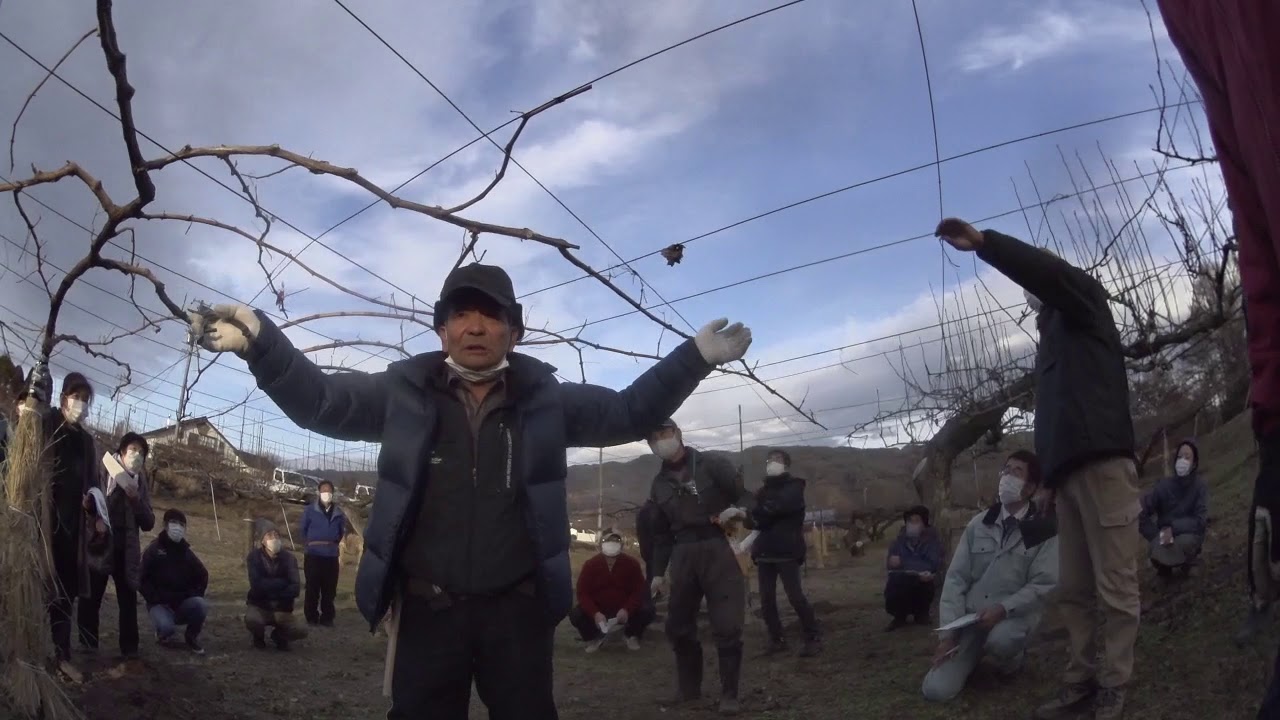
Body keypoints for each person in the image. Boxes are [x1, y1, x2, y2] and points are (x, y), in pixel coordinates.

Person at [187, 262, 752, 720]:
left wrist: (693, 358)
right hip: (429, 611)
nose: (475, 326)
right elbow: (322, 402)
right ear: (442, 330)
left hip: (519, 611)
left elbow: (631, 410)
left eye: (490, 314)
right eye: (461, 314)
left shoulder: (544, 400)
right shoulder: (404, 395)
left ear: (515, 330)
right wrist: (260, 345)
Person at [936, 219, 1140, 720]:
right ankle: (1081, 680)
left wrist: (987, 245)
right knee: (1072, 591)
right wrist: (1047, 479)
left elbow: (1049, 273)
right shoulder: (1052, 344)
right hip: (1066, 480)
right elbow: (1055, 417)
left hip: (1104, 467)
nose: (1032, 294)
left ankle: (1115, 685)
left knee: (1116, 587)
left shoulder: (1085, 301)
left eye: (1036, 287)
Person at [921, 451, 1060, 703]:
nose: (1006, 476)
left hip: (1013, 617)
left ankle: (1011, 660)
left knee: (1002, 642)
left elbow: (1043, 583)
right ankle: (969, 658)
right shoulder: (979, 524)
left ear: (1030, 488)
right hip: (972, 620)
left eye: (1016, 472)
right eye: (1005, 470)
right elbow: (956, 579)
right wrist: (948, 637)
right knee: (935, 691)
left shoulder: (1042, 529)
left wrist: (1004, 608)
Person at [647, 418, 755, 715]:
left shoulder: (712, 464)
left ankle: (729, 694)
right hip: (682, 553)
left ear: (678, 434)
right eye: (655, 437)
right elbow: (660, 535)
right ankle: (689, 690)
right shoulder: (658, 485)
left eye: (665, 433)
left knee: (726, 625)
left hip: (718, 546)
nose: (661, 440)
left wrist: (741, 510)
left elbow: (745, 494)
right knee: (678, 626)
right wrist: (657, 572)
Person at [42, 372, 103, 678]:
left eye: (84, 399)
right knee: (40, 585)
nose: (79, 404)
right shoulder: (49, 426)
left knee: (65, 592)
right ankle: (34, 647)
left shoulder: (86, 441)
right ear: (64, 397)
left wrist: (91, 503)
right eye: (75, 397)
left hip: (72, 529)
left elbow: (94, 485)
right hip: (43, 522)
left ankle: (61, 651)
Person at [78, 433, 155, 658]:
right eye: (132, 450)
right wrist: (92, 516)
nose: (136, 456)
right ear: (121, 452)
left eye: (141, 453)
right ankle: (87, 644)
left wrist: (135, 500)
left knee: (128, 601)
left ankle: (129, 650)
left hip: (127, 551)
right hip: (101, 545)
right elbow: (89, 502)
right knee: (91, 598)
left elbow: (149, 522)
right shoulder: (103, 470)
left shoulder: (140, 481)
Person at [749, 449, 820, 657]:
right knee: (766, 599)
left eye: (777, 459)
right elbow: (757, 519)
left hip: (787, 550)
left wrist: (758, 510)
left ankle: (813, 637)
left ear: (786, 465)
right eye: (769, 459)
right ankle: (777, 638)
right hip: (765, 551)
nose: (772, 462)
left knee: (795, 597)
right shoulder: (762, 491)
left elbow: (775, 508)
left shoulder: (795, 487)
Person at [568, 528, 652, 653]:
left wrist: (627, 610)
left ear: (621, 544)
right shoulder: (591, 564)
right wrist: (595, 613)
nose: (612, 543)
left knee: (648, 609)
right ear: (601, 543)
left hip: (624, 609)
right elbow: (582, 593)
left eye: (616, 540)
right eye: (608, 540)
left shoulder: (632, 564)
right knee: (576, 614)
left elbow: (639, 591)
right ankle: (593, 638)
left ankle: (631, 635)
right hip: (599, 609)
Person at [139, 509, 210, 655]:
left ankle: (191, 637)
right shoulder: (154, 550)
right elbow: (141, 578)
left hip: (180, 603)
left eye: (181, 524)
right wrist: (154, 597)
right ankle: (162, 633)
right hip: (159, 603)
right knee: (167, 627)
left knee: (200, 605)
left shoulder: (186, 552)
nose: (177, 527)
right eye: (173, 523)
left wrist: (192, 594)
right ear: (165, 525)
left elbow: (202, 574)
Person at [1139, 440, 1208, 578]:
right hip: (1164, 536)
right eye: (1179, 457)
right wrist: (1154, 535)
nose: (1182, 461)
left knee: (1185, 542)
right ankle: (1164, 567)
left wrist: (1173, 528)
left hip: (1188, 534)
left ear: (1194, 463)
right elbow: (1141, 511)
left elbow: (1200, 520)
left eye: (1187, 457)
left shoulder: (1199, 486)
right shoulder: (1163, 486)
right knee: (1156, 547)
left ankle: (1189, 562)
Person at [245, 519, 308, 650]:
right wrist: (282, 583)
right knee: (252, 620)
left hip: (282, 608)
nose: (274, 538)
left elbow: (295, 587)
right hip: (260, 605)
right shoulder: (254, 557)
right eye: (269, 535)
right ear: (262, 540)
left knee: (301, 630)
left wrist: (271, 589)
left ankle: (279, 636)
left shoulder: (290, 559)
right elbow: (256, 585)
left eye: (276, 535)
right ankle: (258, 637)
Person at [883, 505, 944, 631]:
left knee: (923, 580)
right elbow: (890, 563)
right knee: (896, 581)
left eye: (917, 521)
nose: (912, 524)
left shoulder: (932, 541)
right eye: (910, 521)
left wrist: (903, 562)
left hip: (924, 581)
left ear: (924, 523)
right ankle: (899, 616)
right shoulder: (899, 542)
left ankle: (921, 614)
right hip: (902, 580)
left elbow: (931, 564)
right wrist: (892, 562)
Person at [300, 480, 345, 626]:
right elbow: (303, 530)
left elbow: (340, 533)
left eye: (329, 491)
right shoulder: (310, 510)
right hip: (313, 554)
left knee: (329, 589)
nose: (327, 493)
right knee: (312, 587)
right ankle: (311, 616)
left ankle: (327, 617)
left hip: (331, 555)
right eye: (324, 490)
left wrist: (331, 543)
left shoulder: (338, 513)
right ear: (319, 492)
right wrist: (312, 542)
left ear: (333, 493)